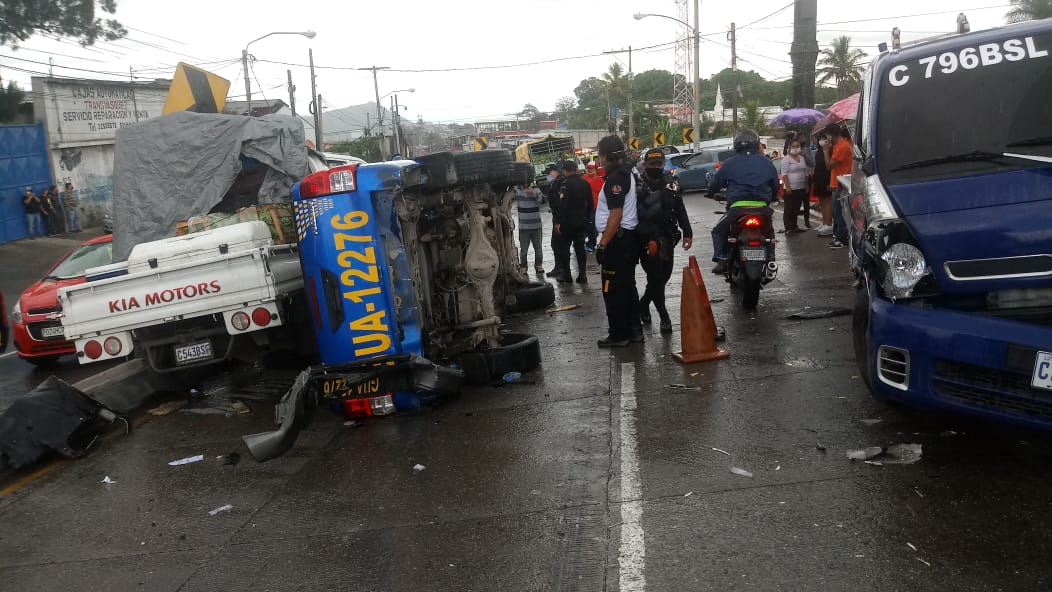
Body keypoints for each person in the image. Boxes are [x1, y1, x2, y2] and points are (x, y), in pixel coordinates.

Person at [706, 129, 780, 274]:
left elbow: (716, 183)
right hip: (762, 209)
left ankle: (722, 258)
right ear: (756, 144)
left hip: (737, 209)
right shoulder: (766, 162)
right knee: (769, 232)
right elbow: (775, 184)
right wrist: (773, 197)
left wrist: (710, 193)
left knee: (718, 231)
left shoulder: (730, 163)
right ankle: (770, 258)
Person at [636, 148, 693, 334]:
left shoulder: (671, 182)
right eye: (652, 164)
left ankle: (643, 304)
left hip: (668, 238)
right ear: (645, 165)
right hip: (646, 239)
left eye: (659, 164)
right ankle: (664, 317)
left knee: (663, 277)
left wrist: (687, 231)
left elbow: (680, 207)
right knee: (655, 277)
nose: (656, 167)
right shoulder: (637, 184)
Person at [594, 135, 643, 348]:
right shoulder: (627, 172)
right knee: (627, 287)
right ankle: (634, 331)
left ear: (605, 156)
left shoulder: (615, 178)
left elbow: (616, 214)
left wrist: (603, 244)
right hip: (627, 239)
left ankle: (618, 334)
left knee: (611, 289)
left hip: (617, 241)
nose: (598, 159)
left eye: (599, 154)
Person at [553, 160, 592, 284]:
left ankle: (567, 275)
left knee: (564, 248)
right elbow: (590, 203)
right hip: (581, 221)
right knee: (580, 248)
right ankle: (583, 274)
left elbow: (562, 204)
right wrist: (586, 217)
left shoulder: (564, 184)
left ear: (565, 171)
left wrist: (558, 221)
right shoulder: (585, 183)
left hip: (567, 222)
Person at [823, 125, 853, 250]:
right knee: (836, 212)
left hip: (841, 184)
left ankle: (842, 238)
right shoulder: (838, 146)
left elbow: (829, 166)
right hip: (836, 183)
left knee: (839, 213)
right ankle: (838, 237)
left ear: (830, 135)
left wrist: (825, 150)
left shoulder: (842, 146)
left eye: (826, 136)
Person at [779, 139, 811, 234]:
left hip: (800, 187)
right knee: (789, 209)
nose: (796, 148)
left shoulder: (802, 158)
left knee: (796, 208)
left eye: (797, 146)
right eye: (793, 146)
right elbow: (784, 174)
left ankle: (794, 226)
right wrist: (788, 187)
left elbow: (805, 172)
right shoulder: (786, 159)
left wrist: (807, 185)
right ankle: (788, 228)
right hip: (790, 188)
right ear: (789, 148)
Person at [512, 183, 545, 274]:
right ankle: (523, 266)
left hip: (536, 225)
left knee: (538, 248)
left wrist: (533, 193)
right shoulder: (517, 190)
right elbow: (511, 196)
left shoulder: (536, 189)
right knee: (524, 249)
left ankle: (538, 265)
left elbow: (542, 200)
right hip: (524, 226)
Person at [544, 164, 566, 278]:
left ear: (555, 171)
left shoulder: (560, 182)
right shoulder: (554, 182)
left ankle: (562, 269)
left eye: (549, 173)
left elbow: (560, 202)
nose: (548, 175)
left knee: (559, 244)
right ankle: (558, 267)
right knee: (555, 244)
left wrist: (558, 220)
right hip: (556, 216)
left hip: (560, 218)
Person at [811, 132, 834, 236]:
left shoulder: (829, 150)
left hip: (826, 178)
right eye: (819, 138)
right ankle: (824, 222)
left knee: (827, 201)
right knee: (822, 202)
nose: (821, 140)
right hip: (819, 178)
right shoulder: (819, 151)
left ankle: (829, 224)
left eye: (823, 138)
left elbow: (829, 167)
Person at [582, 161, 605, 251]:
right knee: (587, 226)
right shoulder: (583, 178)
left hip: (596, 207)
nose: (590, 170)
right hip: (585, 207)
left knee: (593, 226)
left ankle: (591, 244)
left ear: (595, 169)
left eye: (592, 168)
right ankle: (586, 242)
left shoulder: (600, 180)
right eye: (588, 168)